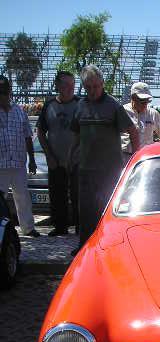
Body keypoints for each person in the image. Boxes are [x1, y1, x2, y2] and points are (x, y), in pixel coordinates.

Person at [69, 65, 139, 254]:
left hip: (110, 170)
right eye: (88, 87)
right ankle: (85, 246)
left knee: (108, 209)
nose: (92, 91)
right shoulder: (80, 106)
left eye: (96, 86)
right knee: (85, 210)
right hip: (86, 169)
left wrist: (135, 157)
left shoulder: (113, 105)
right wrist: (70, 157)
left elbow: (133, 132)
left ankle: (110, 245)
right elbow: (76, 135)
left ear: (102, 84)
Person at [37, 71, 79, 236]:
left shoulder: (80, 104)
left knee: (78, 196)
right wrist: (49, 155)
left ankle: (80, 228)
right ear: (57, 85)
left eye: (72, 84)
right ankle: (60, 227)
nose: (70, 88)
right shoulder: (49, 105)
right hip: (55, 160)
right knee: (57, 195)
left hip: (76, 160)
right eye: (66, 84)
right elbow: (40, 132)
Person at [0, 75, 40, 237]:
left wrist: (32, 160)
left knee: (23, 197)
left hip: (18, 163)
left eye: (4, 92)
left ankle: (28, 228)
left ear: (9, 92)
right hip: (1, 164)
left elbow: (28, 136)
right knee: (0, 199)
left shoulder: (19, 111)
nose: (2, 95)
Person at [121, 82, 160, 163]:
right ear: (133, 98)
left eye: (147, 101)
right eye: (142, 101)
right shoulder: (122, 112)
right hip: (125, 157)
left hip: (146, 158)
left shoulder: (153, 114)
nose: (145, 104)